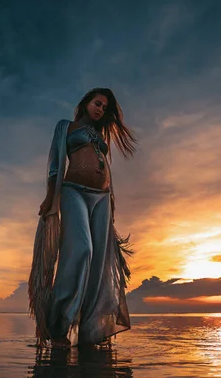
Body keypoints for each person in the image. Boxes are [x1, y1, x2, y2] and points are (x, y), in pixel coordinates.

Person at [28, 87, 137, 348]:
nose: (100, 110)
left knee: (99, 262)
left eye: (104, 108)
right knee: (81, 251)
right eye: (97, 103)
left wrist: (109, 203)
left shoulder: (100, 135)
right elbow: (56, 164)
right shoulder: (66, 126)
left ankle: (91, 332)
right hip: (73, 191)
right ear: (86, 102)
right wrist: (49, 195)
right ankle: (57, 328)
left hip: (102, 199)